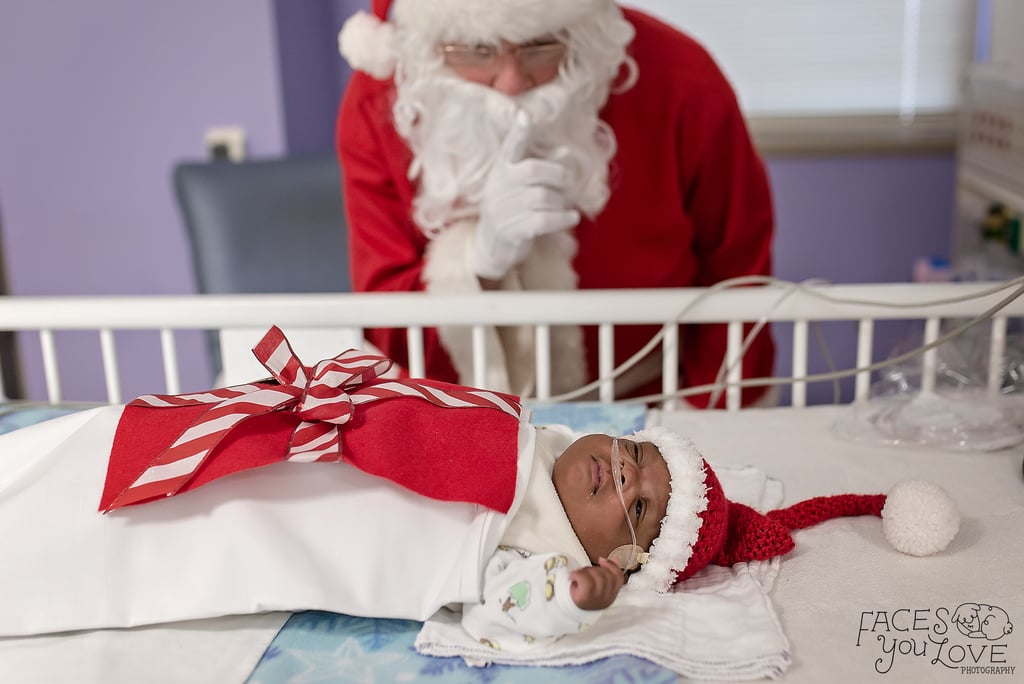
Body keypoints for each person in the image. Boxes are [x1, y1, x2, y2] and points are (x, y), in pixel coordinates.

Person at [0, 327, 952, 651]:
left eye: (642, 508)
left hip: (255, 518)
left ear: (618, 557)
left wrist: (574, 600)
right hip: (271, 432)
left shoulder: (531, 555)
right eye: (639, 458)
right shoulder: (521, 433)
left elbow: (512, 609)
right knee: (97, 446)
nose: (625, 473)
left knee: (98, 538)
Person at [336, 0, 777, 406]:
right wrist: (474, 265)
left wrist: (706, 417)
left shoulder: (684, 80)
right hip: (457, 412)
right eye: (475, 50)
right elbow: (387, 322)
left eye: (540, 46)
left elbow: (739, 269)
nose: (510, 83)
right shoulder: (377, 101)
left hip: (653, 402)